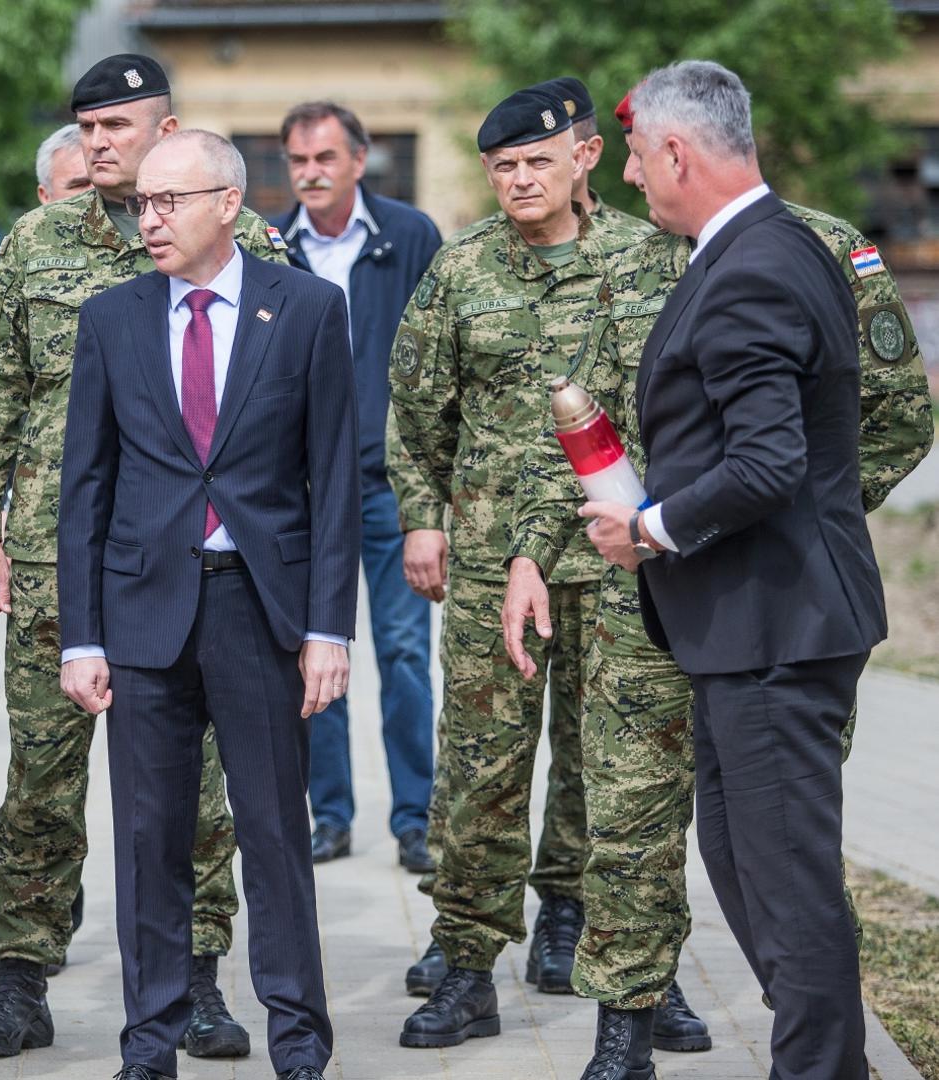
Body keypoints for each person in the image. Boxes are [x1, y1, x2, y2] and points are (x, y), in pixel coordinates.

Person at [505, 91, 933, 1079]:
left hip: (771, 605)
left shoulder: (777, 258)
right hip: (708, 613)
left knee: (786, 873)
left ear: (677, 149)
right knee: (746, 864)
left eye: (634, 156)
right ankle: (796, 1048)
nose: (623, 177)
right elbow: (607, 421)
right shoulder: (709, 257)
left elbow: (802, 450)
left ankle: (819, 1063)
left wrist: (674, 526)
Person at [0, 52, 287, 1060]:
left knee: (198, 782)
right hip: (60, 561)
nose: (98, 143)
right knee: (42, 777)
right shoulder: (38, 243)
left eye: (118, 126)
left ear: (165, 127)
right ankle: (23, 976)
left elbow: (280, 391)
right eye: (86, 128)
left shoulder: (239, 236)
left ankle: (197, 975)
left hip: (188, 563)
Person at [58, 128, 358, 1080]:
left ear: (228, 203)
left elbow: (333, 479)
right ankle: (149, 1045)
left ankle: (300, 1042)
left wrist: (325, 626)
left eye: (169, 201)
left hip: (259, 610)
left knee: (274, 834)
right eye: (142, 204)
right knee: (149, 841)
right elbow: (85, 489)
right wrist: (80, 637)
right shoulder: (111, 318)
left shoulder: (305, 309)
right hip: (144, 611)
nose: (149, 220)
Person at [390, 85, 630, 1048]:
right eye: (502, 166)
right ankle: (469, 959)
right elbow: (413, 412)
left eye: (538, 161)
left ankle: (582, 924)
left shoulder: (646, 263)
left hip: (620, 560)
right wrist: (422, 521)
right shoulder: (461, 271)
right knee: (482, 768)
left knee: (608, 761)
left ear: (585, 159)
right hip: (492, 562)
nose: (520, 180)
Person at [269, 101, 441, 871]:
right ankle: (329, 815)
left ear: (359, 161)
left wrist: (432, 492)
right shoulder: (270, 245)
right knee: (315, 650)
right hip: (300, 487)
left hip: (388, 486)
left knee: (404, 650)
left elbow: (440, 366)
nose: (310, 174)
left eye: (325, 159)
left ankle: (416, 818)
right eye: (298, 161)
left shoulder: (409, 238)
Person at [0, 123, 91, 381]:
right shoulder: (14, 276)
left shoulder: (148, 261)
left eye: (97, 184)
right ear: (45, 195)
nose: (91, 196)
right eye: (78, 185)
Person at [529, 77, 652, 238]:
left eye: (542, 158)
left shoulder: (641, 240)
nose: (525, 176)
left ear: (590, 152)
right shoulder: (487, 242)